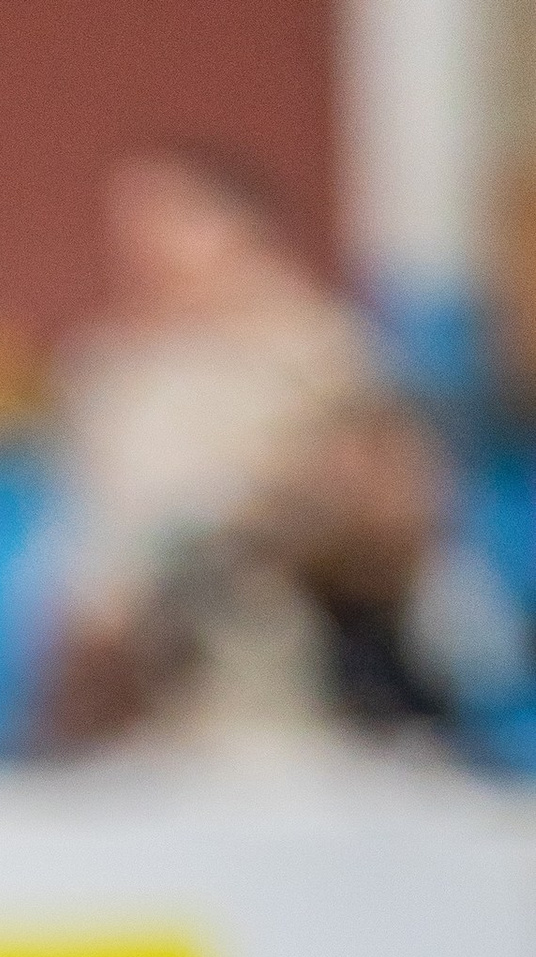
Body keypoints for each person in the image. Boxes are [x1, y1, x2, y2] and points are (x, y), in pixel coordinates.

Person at [29, 143, 521, 752]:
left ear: (242, 228)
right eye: (130, 228)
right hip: (153, 710)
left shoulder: (330, 357)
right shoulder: (114, 374)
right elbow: (85, 553)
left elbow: (397, 524)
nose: (145, 248)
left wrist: (269, 533)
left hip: (315, 690)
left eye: (171, 220)